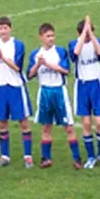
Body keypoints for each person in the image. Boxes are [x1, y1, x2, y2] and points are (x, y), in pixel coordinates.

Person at [28, 23, 82, 169]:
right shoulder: (35, 54)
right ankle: (46, 158)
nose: (51, 39)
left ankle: (77, 159)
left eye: (52, 36)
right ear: (41, 37)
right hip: (44, 92)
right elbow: (29, 75)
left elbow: (65, 70)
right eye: (48, 36)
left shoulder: (60, 51)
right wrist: (38, 64)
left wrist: (48, 64)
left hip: (59, 91)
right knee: (46, 127)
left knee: (68, 127)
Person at [0, 16, 34, 169]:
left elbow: (17, 67)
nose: (3, 31)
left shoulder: (17, 45)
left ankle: (28, 157)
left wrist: (2, 57)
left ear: (10, 29)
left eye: (5, 28)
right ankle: (4, 156)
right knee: (2, 122)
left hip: (15, 86)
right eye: (0, 28)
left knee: (23, 121)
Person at [70, 15, 100, 169]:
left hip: (96, 84)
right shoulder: (74, 44)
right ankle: (91, 157)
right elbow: (75, 53)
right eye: (85, 34)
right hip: (82, 86)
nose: (87, 37)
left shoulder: (96, 42)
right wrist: (83, 34)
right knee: (86, 123)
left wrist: (90, 33)